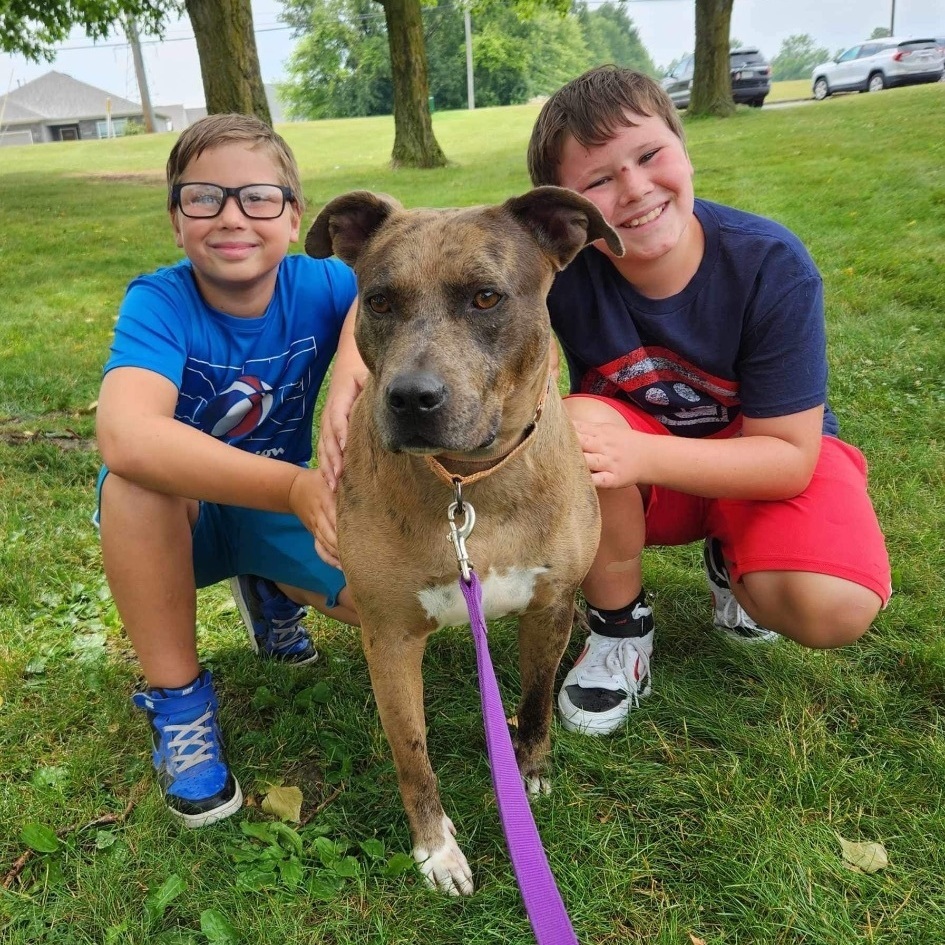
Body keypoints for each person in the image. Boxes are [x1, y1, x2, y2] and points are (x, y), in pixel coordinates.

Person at [523, 65, 891, 736]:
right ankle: (618, 628)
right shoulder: (563, 268)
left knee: (832, 605)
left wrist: (639, 452)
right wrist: (350, 359)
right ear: (565, 213)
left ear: (683, 147)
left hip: (758, 460)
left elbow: (787, 459)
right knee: (575, 427)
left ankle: (735, 558)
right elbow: (447, 261)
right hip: (634, 475)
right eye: (598, 180)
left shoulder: (769, 263)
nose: (633, 189)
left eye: (648, 155)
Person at [95, 113, 361, 827]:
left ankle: (270, 587)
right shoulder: (160, 299)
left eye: (259, 197)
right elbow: (125, 433)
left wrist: (352, 367)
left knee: (377, 600)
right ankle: (179, 703)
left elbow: (392, 276)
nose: (232, 217)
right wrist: (293, 485)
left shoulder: (324, 284)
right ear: (177, 220)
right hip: (192, 517)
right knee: (135, 485)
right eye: (203, 197)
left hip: (278, 506)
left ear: (295, 215)